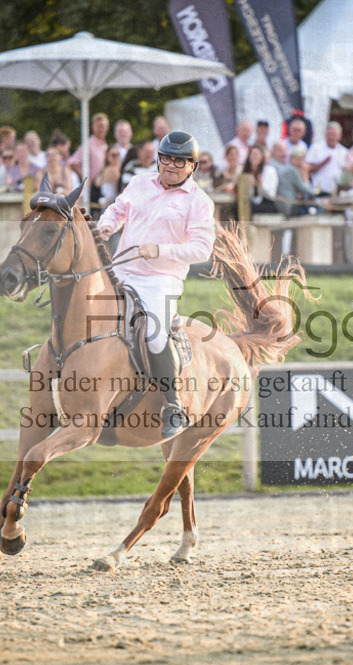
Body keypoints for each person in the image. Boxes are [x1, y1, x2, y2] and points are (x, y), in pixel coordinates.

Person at [95, 130, 215, 439]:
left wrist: (160, 251)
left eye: (179, 161)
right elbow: (118, 208)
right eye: (166, 159)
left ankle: (173, 405)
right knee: (86, 313)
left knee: (154, 331)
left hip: (161, 280)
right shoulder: (138, 183)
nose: (171, 166)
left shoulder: (199, 202)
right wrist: (107, 225)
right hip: (121, 269)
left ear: (192, 167)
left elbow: (202, 249)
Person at [306, 121, 347, 195]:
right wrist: (323, 163)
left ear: (340, 136)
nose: (332, 137)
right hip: (318, 191)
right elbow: (307, 169)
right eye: (330, 134)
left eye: (334, 134)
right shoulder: (315, 148)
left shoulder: (344, 152)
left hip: (336, 193)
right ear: (325, 134)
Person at [69, 112, 110, 181]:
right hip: (91, 188)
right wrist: (86, 180)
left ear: (107, 128)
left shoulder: (106, 146)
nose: (101, 129)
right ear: (93, 127)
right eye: (99, 126)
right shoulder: (88, 144)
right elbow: (72, 163)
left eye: (103, 126)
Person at [243, 144, 277, 215]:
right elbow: (247, 196)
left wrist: (259, 185)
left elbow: (271, 195)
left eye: (257, 154)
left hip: (266, 203)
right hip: (251, 203)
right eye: (253, 154)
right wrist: (250, 186)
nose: (255, 157)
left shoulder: (270, 171)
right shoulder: (246, 173)